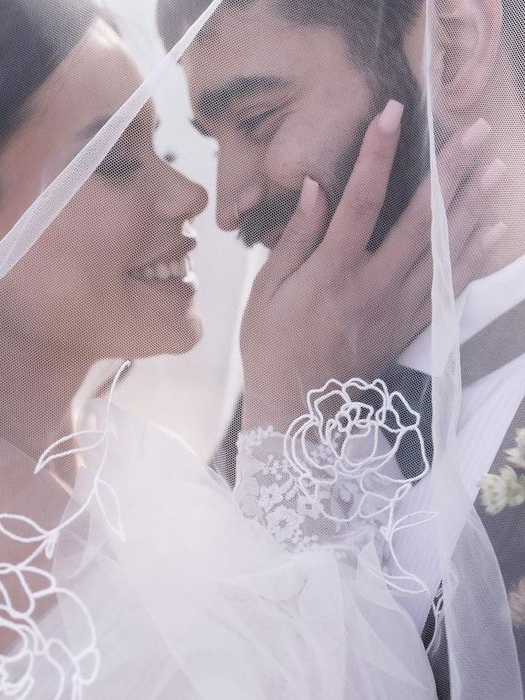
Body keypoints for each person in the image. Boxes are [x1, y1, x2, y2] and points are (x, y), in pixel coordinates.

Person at [0, 0, 514, 697]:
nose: (194, 202)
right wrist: (291, 423)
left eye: (163, 151)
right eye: (115, 165)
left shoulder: (124, 465)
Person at [158, 2, 525, 695]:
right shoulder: (304, 359)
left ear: (455, 45)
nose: (227, 204)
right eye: (211, 142)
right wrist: (284, 414)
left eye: (258, 120)